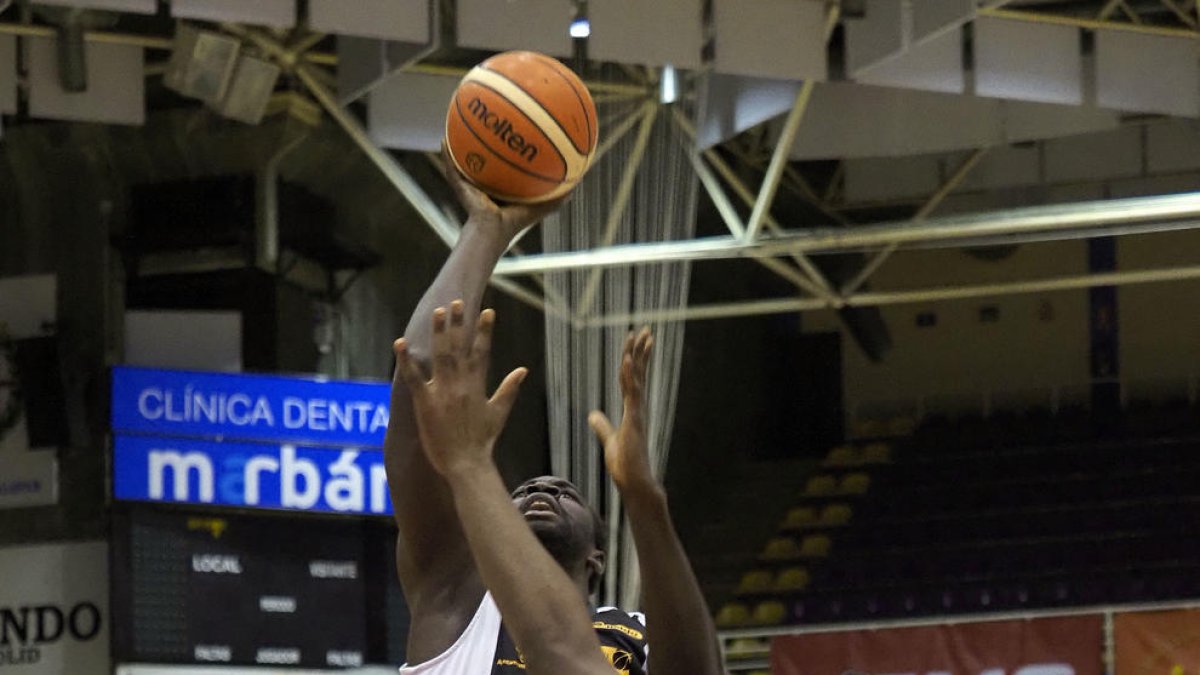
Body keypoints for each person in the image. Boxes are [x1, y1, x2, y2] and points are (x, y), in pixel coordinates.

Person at [382, 151, 723, 675]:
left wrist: (645, 500)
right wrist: (484, 230)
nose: (542, 490)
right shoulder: (455, 599)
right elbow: (420, 372)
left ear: (596, 558)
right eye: (522, 493)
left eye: (565, 494)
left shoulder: (632, 634)